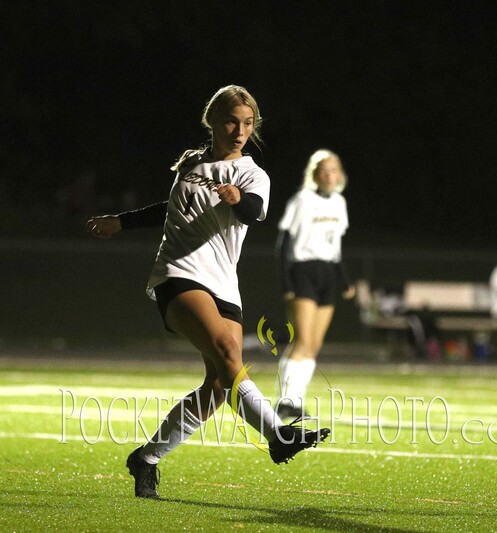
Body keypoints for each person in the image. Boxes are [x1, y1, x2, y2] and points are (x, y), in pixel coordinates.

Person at [86, 86, 329, 499]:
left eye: (248, 123)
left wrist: (237, 199)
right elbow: (174, 209)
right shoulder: (192, 164)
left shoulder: (253, 174)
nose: (240, 130)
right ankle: (277, 435)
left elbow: (253, 211)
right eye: (232, 121)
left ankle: (146, 458)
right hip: (178, 274)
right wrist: (121, 223)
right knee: (227, 352)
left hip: (223, 283)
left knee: (218, 386)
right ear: (213, 121)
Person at [275, 149, 354, 419]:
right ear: (315, 174)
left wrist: (345, 281)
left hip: (327, 274)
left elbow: (335, 248)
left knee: (314, 345)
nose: (330, 175)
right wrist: (286, 281)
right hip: (303, 271)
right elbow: (284, 241)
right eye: (324, 170)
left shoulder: (339, 203)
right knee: (302, 339)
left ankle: (296, 402)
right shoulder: (303, 200)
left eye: (334, 170)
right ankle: (285, 400)